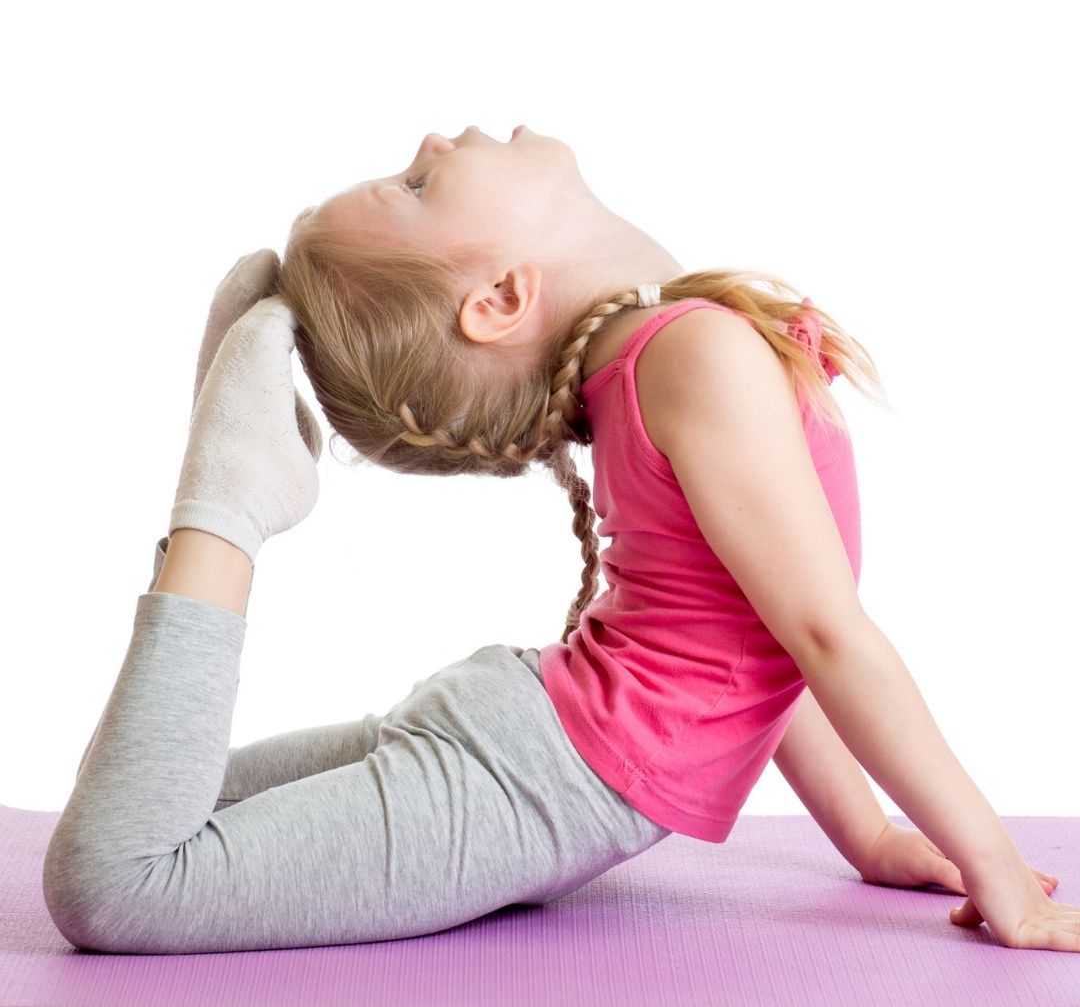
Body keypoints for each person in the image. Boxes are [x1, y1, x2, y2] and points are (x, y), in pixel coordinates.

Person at [42, 126, 1076, 955]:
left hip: (527, 745)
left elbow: (755, 641)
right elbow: (826, 639)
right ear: (501, 297)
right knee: (119, 877)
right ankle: (225, 500)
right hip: (529, 776)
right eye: (416, 186)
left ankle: (226, 480)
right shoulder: (693, 355)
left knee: (145, 822)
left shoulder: (668, 354)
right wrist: (998, 874)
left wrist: (871, 836)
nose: (433, 141)